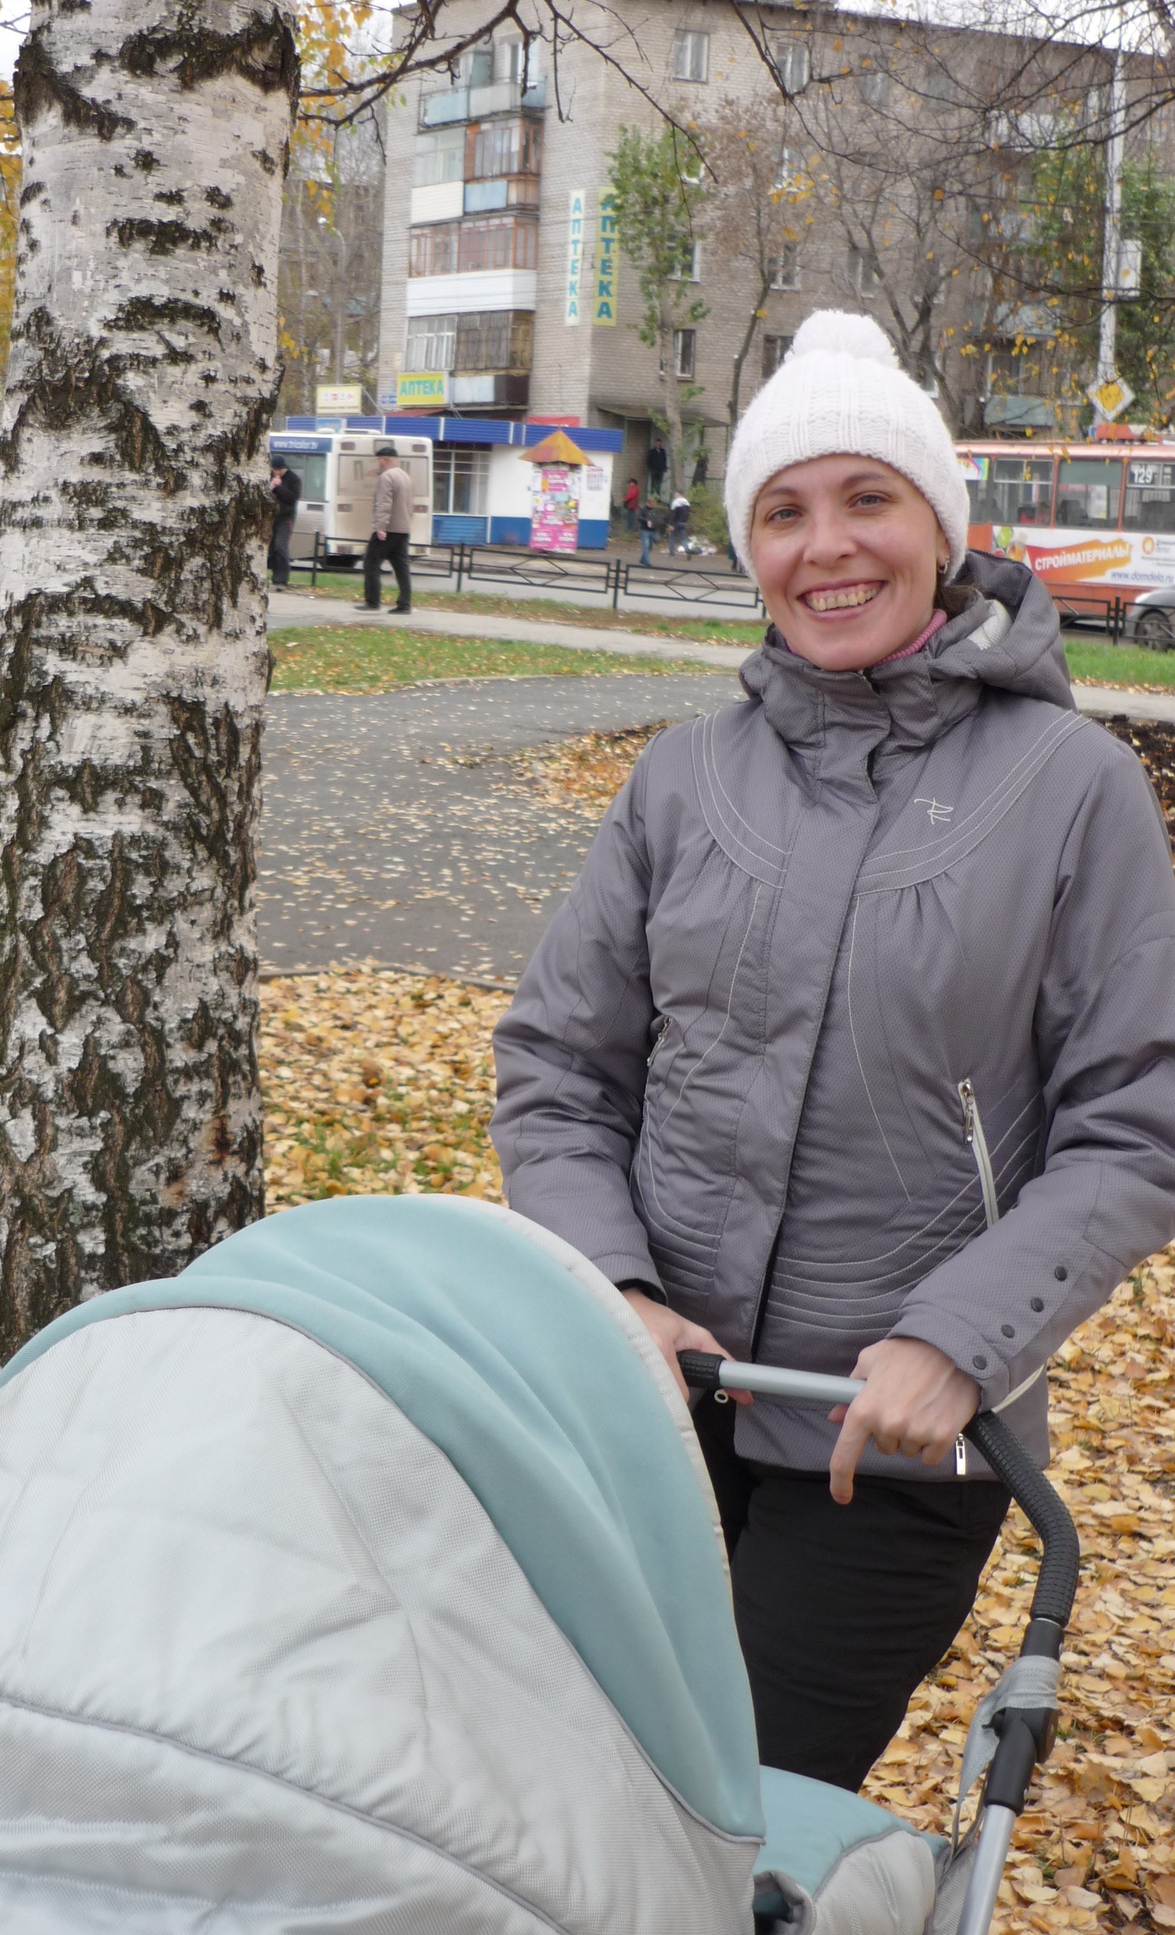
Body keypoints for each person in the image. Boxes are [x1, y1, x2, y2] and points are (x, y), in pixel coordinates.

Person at [491, 308, 1175, 1793]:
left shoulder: (1074, 789)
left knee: (730, 1814)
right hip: (648, 1412)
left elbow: (1137, 1120)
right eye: (785, 513)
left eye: (869, 498)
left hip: (891, 1442)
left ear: (942, 525)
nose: (828, 547)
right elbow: (560, 1068)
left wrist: (962, 1341)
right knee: (575, 1802)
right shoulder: (684, 781)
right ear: (752, 548)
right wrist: (614, 1287)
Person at [354, 445, 413, 615]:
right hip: (403, 529)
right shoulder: (405, 476)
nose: (378, 463)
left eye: (379, 460)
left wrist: (381, 527)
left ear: (384, 460)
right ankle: (404, 604)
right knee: (401, 568)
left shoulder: (387, 477)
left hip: (388, 529)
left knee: (371, 562)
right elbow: (409, 505)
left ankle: (372, 601)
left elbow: (383, 503)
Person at [268, 453, 301, 588]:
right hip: (271, 517)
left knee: (280, 545)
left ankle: (282, 579)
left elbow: (292, 498)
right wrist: (270, 488)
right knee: (271, 548)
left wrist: (280, 487)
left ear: (283, 468)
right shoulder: (269, 477)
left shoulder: (293, 479)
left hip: (286, 517)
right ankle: (275, 576)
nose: (276, 473)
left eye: (278, 470)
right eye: (274, 470)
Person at [667, 489, 692, 554]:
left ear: (678, 494)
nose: (674, 495)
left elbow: (673, 514)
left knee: (672, 537)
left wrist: (671, 524)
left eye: (675, 493)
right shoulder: (686, 502)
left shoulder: (675, 502)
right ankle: (687, 550)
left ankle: (671, 553)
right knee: (683, 538)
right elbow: (687, 513)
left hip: (676, 523)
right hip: (683, 522)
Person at [637, 498, 659, 568]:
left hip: (653, 530)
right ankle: (647, 562)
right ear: (648, 503)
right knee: (645, 546)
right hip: (645, 530)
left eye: (654, 504)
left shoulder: (654, 510)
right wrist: (646, 520)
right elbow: (639, 517)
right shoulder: (643, 509)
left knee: (650, 547)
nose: (653, 506)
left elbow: (656, 519)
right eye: (652, 504)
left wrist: (656, 528)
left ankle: (643, 559)